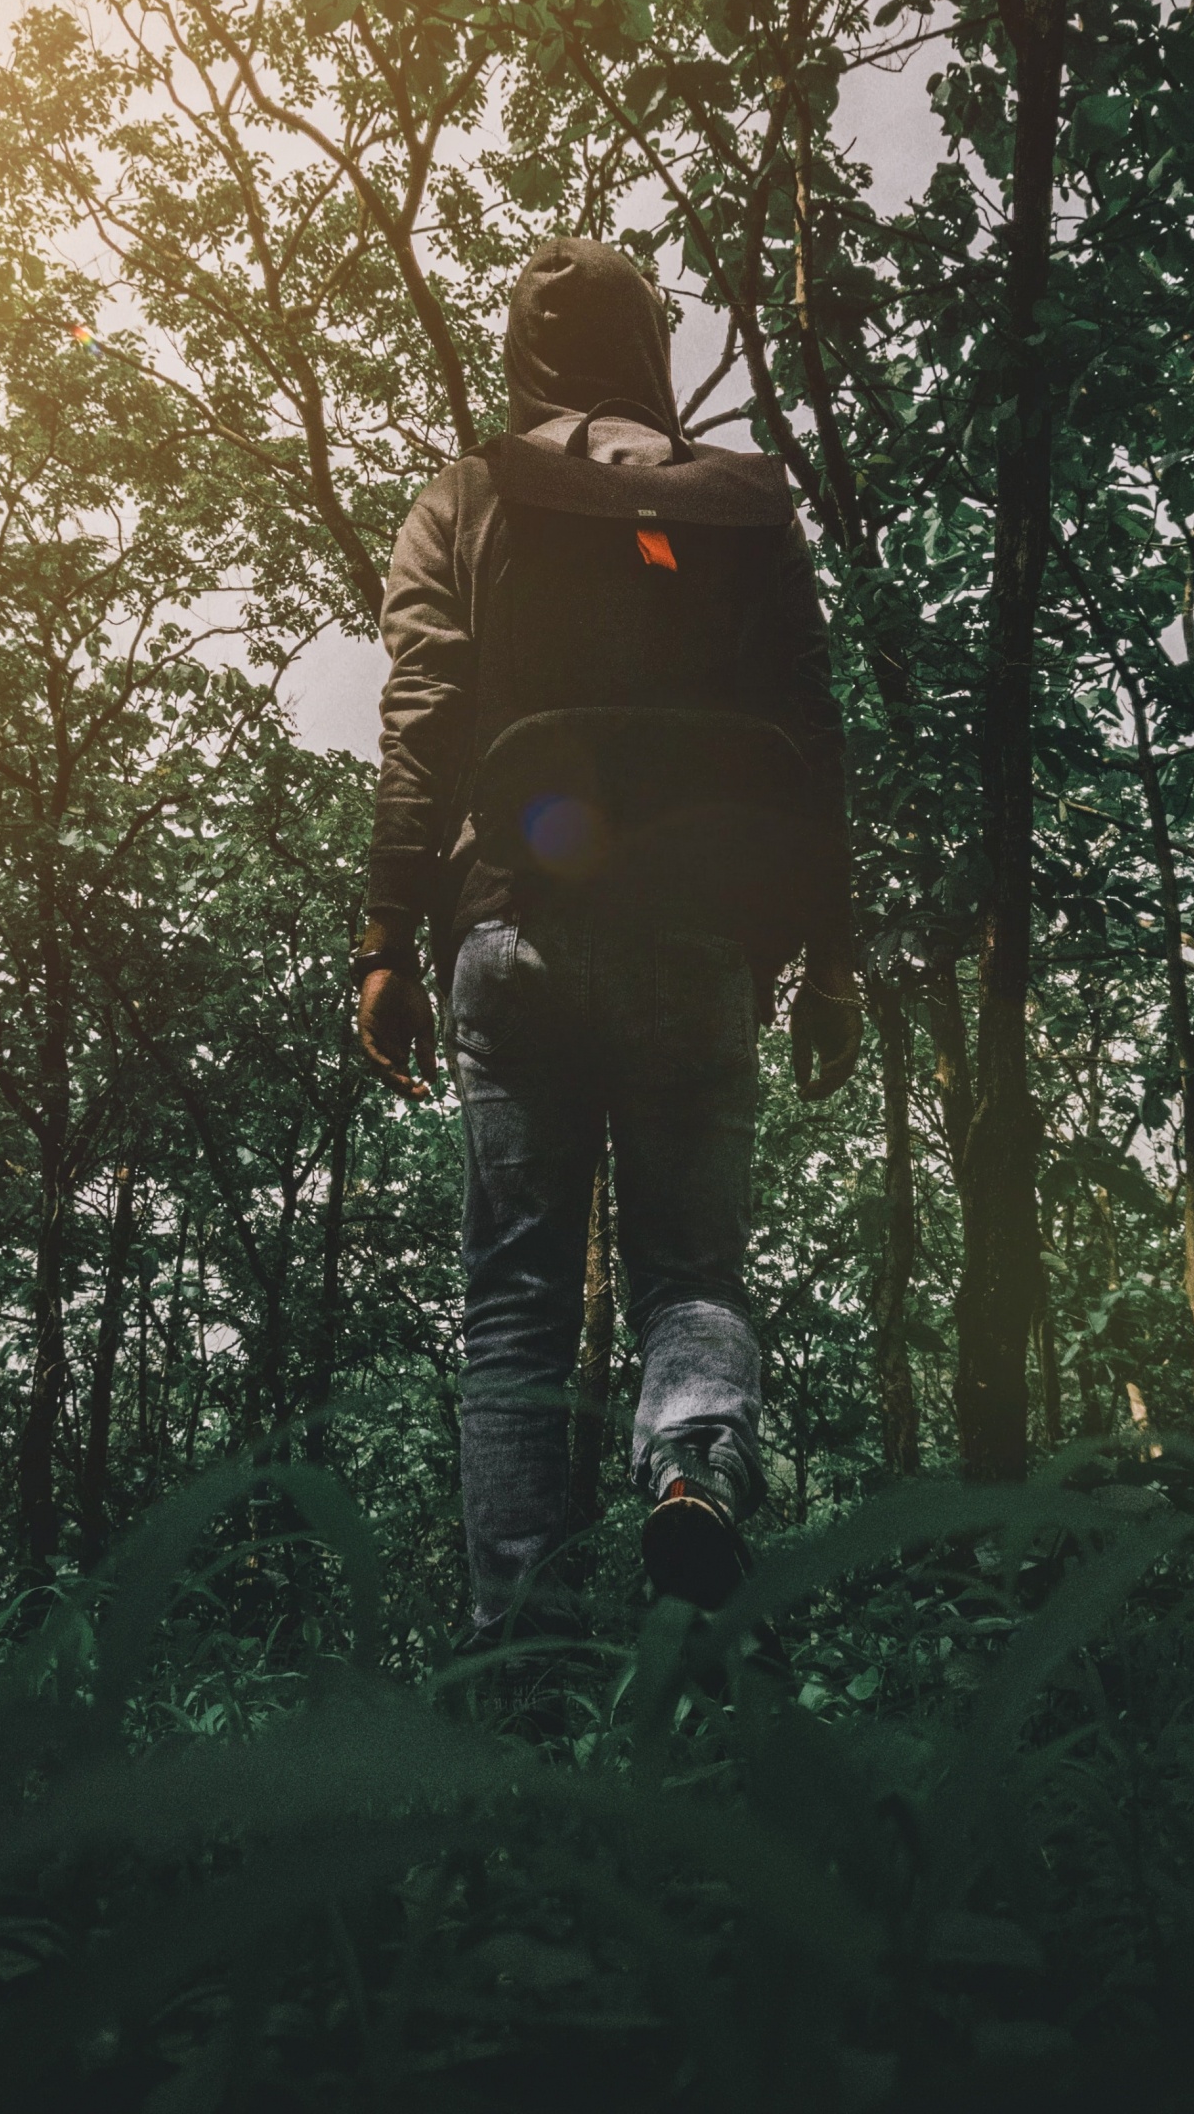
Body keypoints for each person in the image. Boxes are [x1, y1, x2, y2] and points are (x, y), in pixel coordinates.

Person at [355, 237, 861, 1632]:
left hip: (515, 926)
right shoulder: (747, 510)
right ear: (650, 350)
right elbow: (811, 742)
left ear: (525, 352)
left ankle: (513, 1654)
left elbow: (423, 715)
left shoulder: (466, 493)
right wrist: (831, 959)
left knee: (513, 1300)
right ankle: (693, 1465)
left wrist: (384, 932)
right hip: (701, 944)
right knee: (691, 1275)